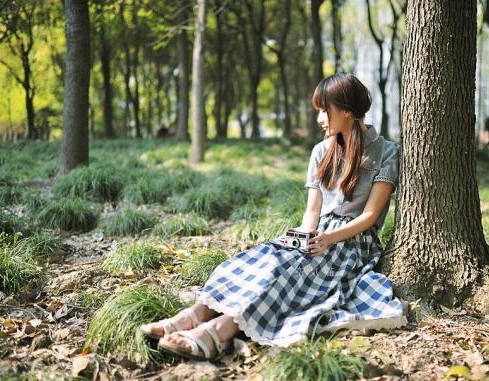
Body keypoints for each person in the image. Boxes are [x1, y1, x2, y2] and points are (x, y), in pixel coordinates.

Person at [140, 73, 407, 361]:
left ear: (347, 110)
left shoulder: (387, 152)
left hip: (353, 241)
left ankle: (217, 331)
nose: (319, 118)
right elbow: (312, 212)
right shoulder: (320, 152)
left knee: (293, 274)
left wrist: (328, 238)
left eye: (323, 110)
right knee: (266, 260)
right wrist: (301, 238)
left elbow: (369, 215)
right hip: (317, 234)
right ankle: (193, 315)